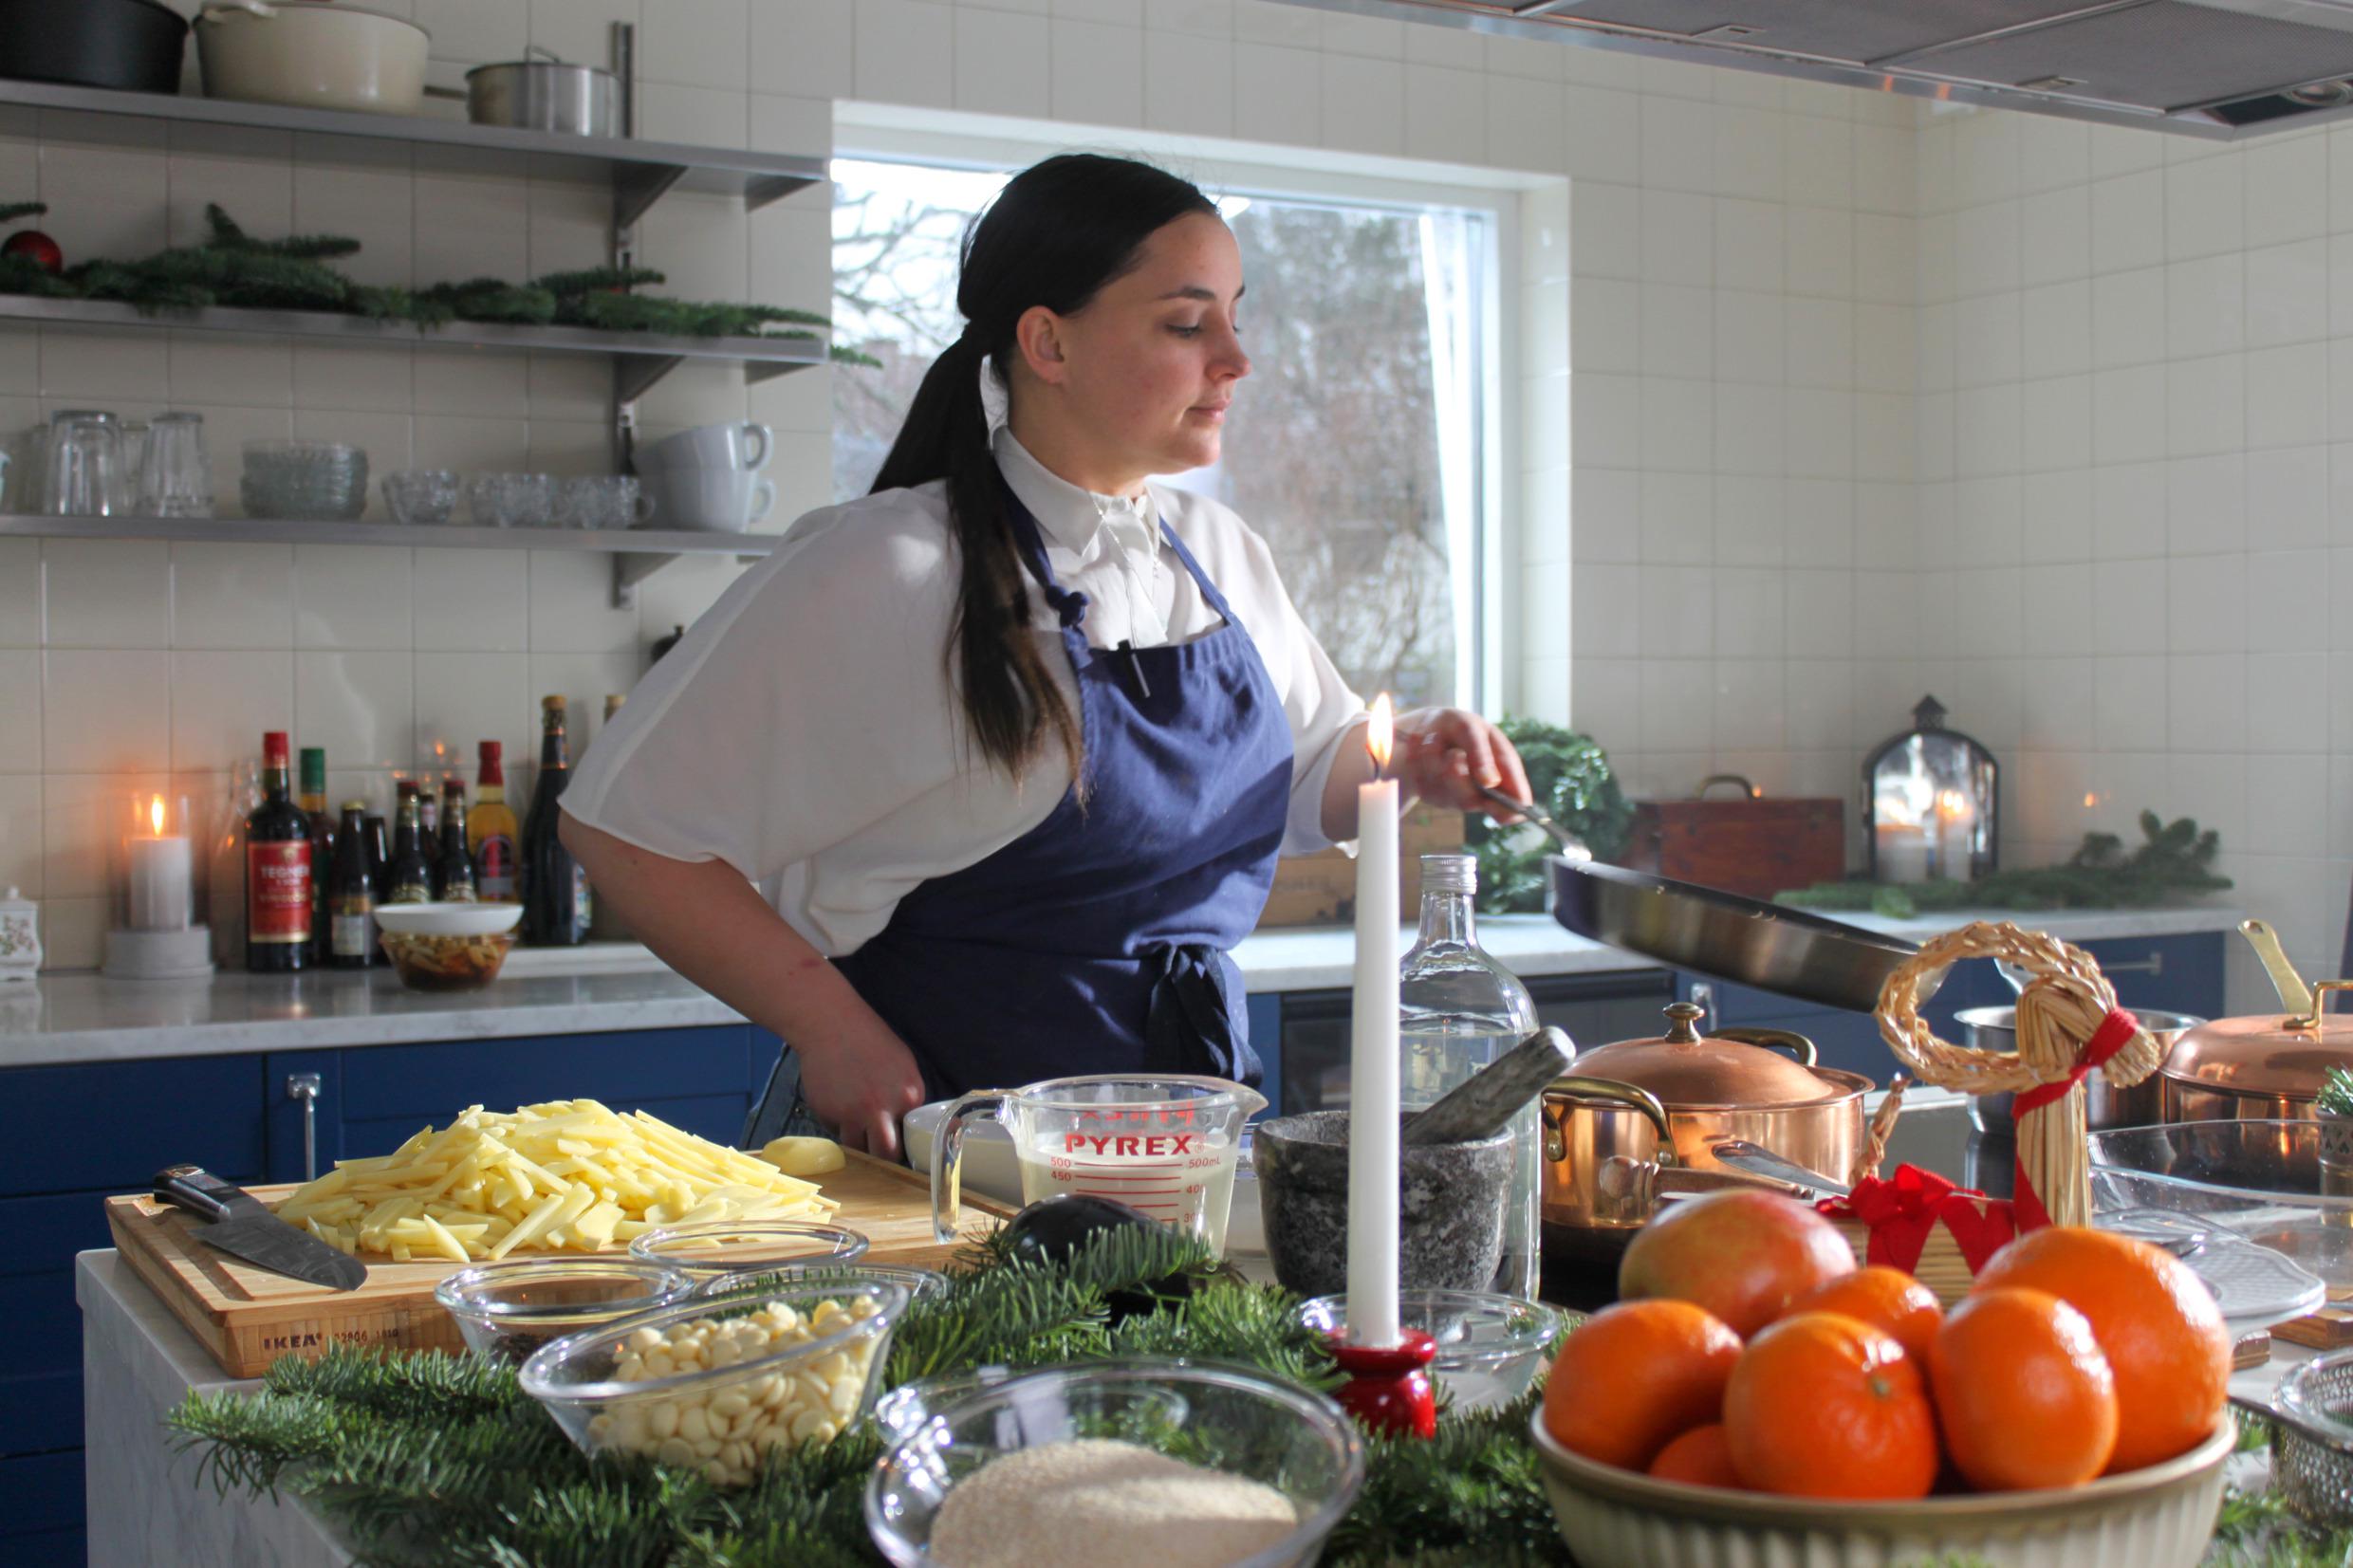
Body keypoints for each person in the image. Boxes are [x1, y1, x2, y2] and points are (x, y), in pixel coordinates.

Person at [561, 153, 1530, 1160]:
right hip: (938, 1151)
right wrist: (827, 1025)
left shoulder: (1219, 556)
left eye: (1236, 318)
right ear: (1047, 343)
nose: (1236, 359)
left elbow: (1304, 778)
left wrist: (1404, 756)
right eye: (1187, 323)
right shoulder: (895, 566)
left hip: (1183, 1142)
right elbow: (624, 828)